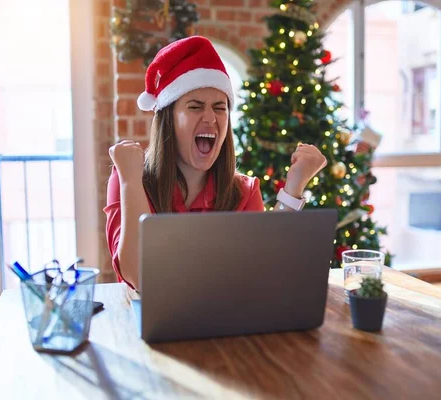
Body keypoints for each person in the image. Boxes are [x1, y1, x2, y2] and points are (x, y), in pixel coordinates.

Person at [105, 36, 327, 289]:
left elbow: (263, 267)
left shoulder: (244, 191)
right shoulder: (128, 178)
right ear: (168, 119)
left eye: (220, 108)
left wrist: (294, 187)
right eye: (195, 107)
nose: (210, 118)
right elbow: (137, 274)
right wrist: (130, 181)